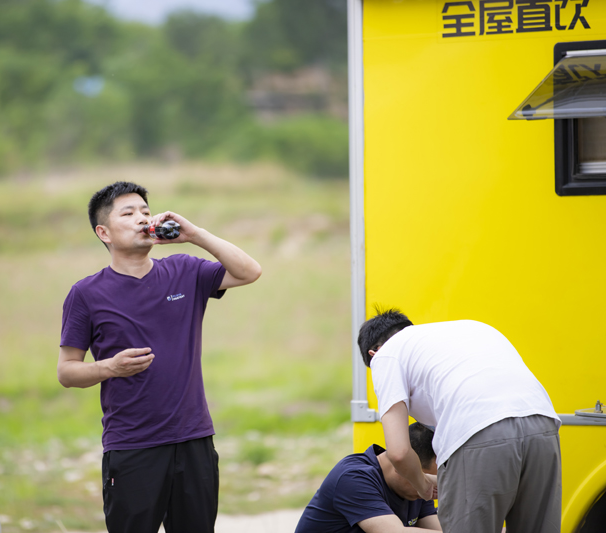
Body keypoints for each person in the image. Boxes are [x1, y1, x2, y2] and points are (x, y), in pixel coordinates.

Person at [57, 181, 262, 533]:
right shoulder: (86, 294)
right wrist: (110, 367)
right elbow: (66, 371)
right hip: (133, 445)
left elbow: (250, 271)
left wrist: (196, 235)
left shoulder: (184, 270)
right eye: (129, 213)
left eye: (146, 212)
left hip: (194, 438)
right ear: (103, 232)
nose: (142, 219)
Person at [358, 308, 561, 533]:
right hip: (543, 425)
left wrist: (422, 485)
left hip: (479, 431)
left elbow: (398, 452)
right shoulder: (472, 329)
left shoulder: (386, 355)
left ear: (373, 353)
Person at [295, 422, 441, 533]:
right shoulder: (352, 478)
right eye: (427, 478)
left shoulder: (416, 490)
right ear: (402, 467)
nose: (430, 486)